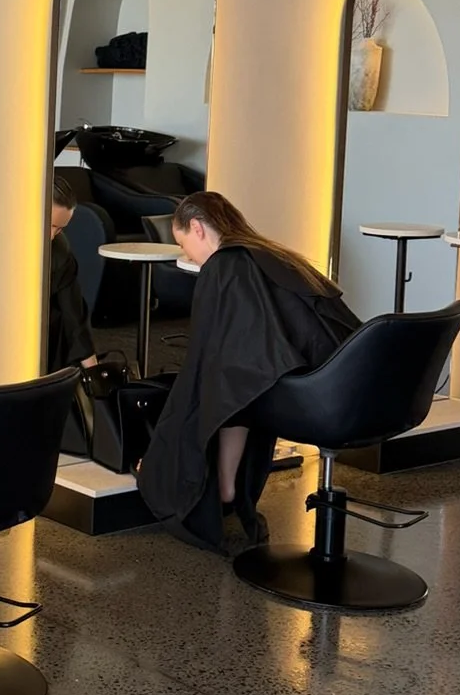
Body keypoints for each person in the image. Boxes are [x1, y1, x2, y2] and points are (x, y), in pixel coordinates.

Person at [137, 192, 359, 550]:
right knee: (236, 383)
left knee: (224, 386)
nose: (186, 255)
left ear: (197, 227)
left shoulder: (224, 267)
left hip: (314, 398)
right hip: (346, 382)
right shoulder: (273, 255)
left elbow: (202, 374)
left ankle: (219, 490)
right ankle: (229, 488)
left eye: (183, 244)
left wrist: (160, 459)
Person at [48, 176, 99, 372]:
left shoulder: (60, 251)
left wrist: (93, 374)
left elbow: (74, 314)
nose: (53, 235)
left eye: (60, 229)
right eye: (51, 225)